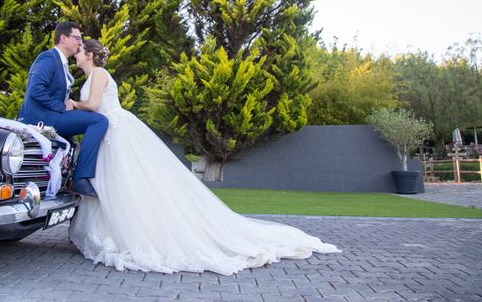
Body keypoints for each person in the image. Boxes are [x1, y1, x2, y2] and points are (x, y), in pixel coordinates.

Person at [68, 38, 340, 275]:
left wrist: (73, 104)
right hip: (106, 133)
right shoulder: (91, 76)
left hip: (115, 130)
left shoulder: (99, 73)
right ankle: (113, 231)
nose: (76, 55)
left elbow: (92, 105)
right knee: (115, 183)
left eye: (79, 51)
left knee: (125, 183)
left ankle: (136, 233)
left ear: (90, 55)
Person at [18, 22, 108, 197]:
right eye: (77, 38)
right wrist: (61, 107)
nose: (79, 42)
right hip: (43, 119)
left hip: (52, 116)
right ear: (63, 38)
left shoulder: (61, 63)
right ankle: (81, 177)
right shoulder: (48, 58)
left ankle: (66, 178)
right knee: (99, 120)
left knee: (78, 135)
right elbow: (35, 90)